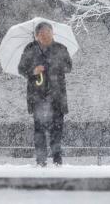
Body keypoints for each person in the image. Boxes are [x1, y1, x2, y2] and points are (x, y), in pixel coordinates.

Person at [17, 21, 72, 166]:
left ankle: (57, 159)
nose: (45, 35)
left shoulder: (61, 48)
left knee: (57, 129)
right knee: (39, 129)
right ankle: (40, 160)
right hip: (37, 96)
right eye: (42, 33)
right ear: (36, 36)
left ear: (52, 33)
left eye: (48, 32)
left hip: (57, 95)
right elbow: (21, 69)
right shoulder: (30, 49)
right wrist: (33, 71)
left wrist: (52, 64)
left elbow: (68, 66)